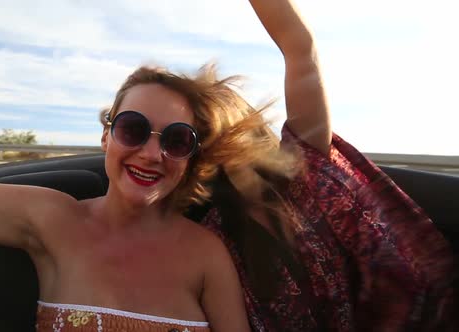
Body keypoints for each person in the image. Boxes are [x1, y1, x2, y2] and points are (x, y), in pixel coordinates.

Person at [0, 1, 455, 332]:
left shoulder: (209, 253)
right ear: (106, 133)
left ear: (194, 155)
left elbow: (299, 50)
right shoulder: (50, 220)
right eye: (132, 130)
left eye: (177, 140)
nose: (151, 152)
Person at [182, 0, 457, 331]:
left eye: (213, 120)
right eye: (193, 133)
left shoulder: (306, 164)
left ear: (243, 122)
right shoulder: (210, 240)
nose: (210, 137)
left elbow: (300, 46)